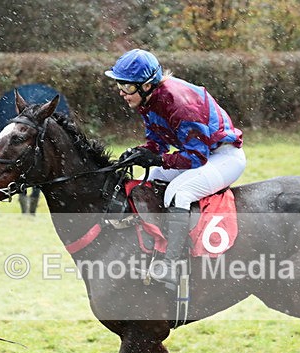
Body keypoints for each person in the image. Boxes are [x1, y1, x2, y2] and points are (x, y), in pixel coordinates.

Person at [105, 49, 246, 287]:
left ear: (147, 86)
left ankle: (171, 265)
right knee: (144, 180)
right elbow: (158, 143)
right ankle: (149, 244)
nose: (121, 92)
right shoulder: (150, 100)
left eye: (127, 86)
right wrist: (143, 152)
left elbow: (196, 157)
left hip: (224, 157)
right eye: (119, 84)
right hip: (203, 154)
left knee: (179, 193)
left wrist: (158, 160)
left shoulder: (179, 103)